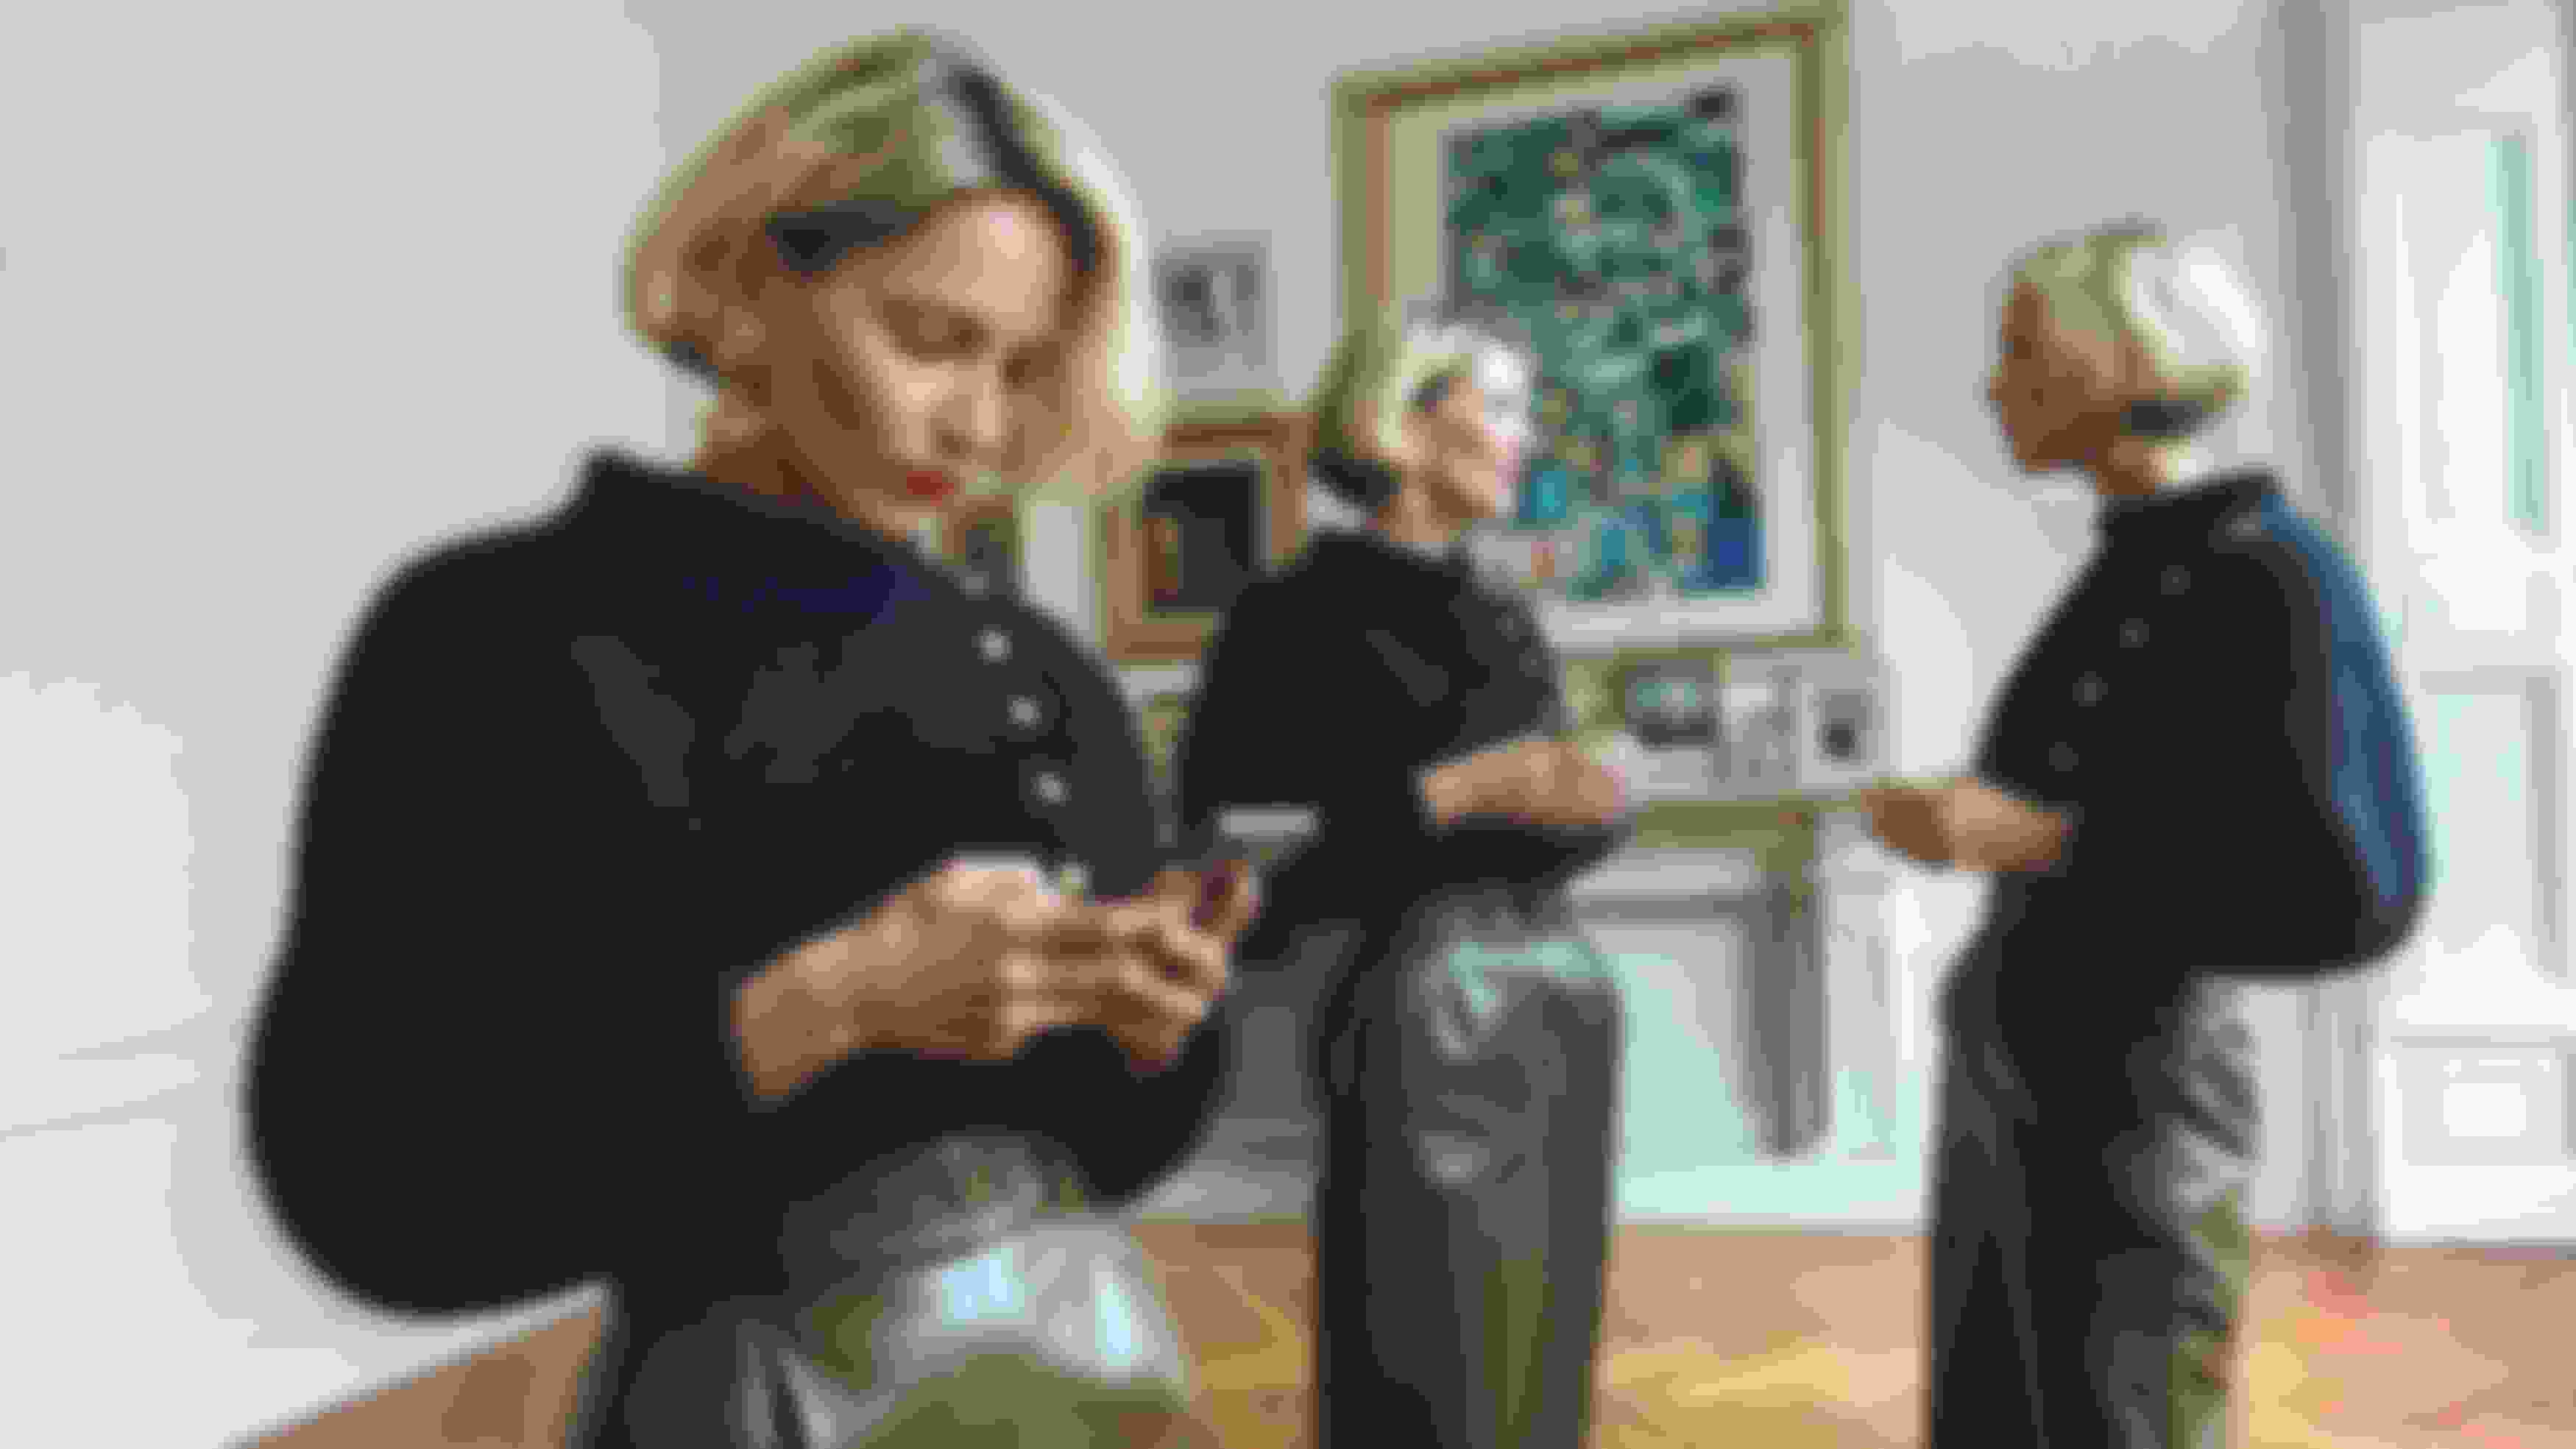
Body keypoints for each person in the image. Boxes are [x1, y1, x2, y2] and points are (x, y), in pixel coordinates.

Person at [241, 31, 1256, 1448]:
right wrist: (825, 1006)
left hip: (1079, 1372)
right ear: (742, 281)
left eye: (1023, 366)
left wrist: (1164, 1023)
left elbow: (1121, 1145)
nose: (977, 422)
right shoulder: (502, 630)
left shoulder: (1045, 676)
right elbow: (372, 1190)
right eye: (931, 339)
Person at [1861, 219, 2429, 1448]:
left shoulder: (2276, 574)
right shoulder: (2139, 564)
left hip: (2133, 1102)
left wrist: (2045, 841)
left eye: (2025, 346)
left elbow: (2360, 889)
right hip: (2030, 1083)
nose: (1995, 381)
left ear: (2133, 361)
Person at [1175, 303, 1632, 1448]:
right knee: (1424, 1340)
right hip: (1406, 1012)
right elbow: (1240, 860)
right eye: (1504, 405)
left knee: (1540, 1335)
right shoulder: (1289, 616)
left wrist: (1593, 804)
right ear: (1410, 420)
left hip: (1558, 1006)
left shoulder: (1504, 616)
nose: (1527, 437)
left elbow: (1532, 829)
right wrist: (1458, 792)